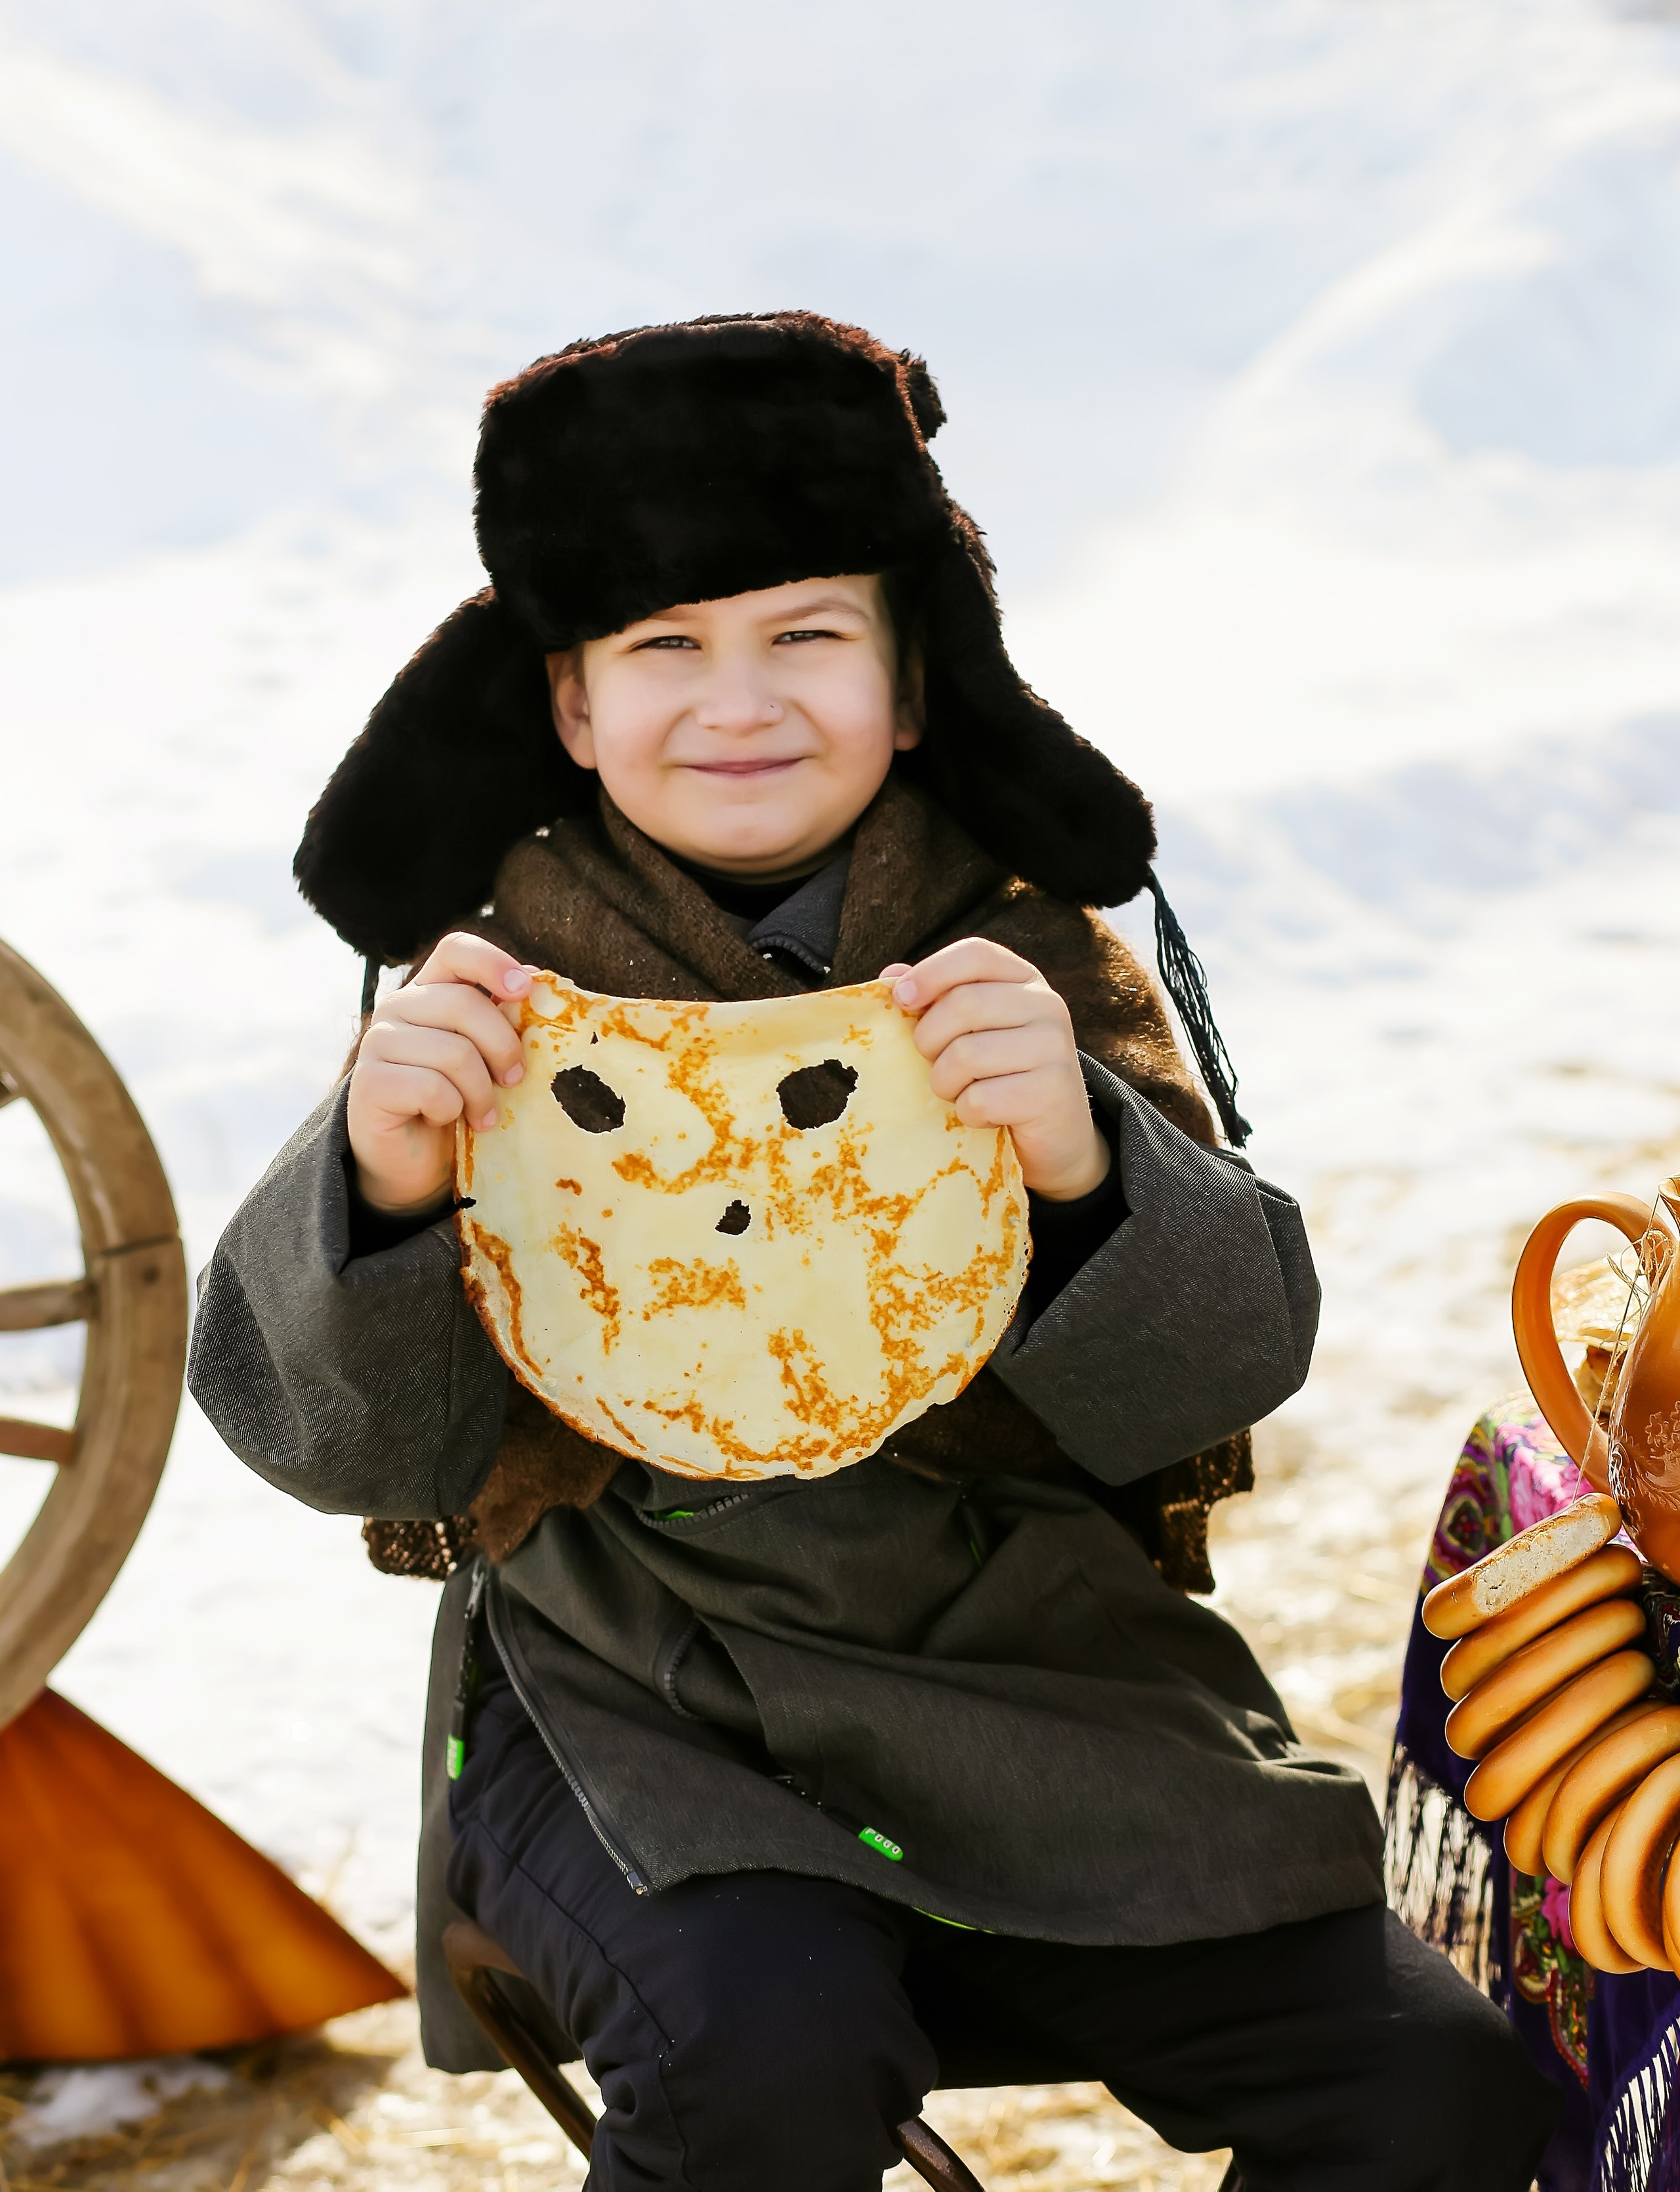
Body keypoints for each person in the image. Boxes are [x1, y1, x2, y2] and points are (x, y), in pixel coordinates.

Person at [190, 312, 1558, 2190]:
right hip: (641, 1699)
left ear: (913, 683)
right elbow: (343, 1443)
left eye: (805, 636)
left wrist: (1084, 1156)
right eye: (663, 646)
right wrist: (387, 1180)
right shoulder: (489, 998)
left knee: (1436, 2085)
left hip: (1057, 1696)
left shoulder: (1027, 961)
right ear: (571, 705)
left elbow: (1230, 1362)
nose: (736, 699)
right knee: (763, 2049)